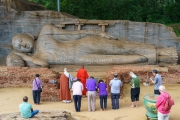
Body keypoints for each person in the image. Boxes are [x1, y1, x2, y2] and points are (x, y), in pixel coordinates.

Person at [8, 24, 178, 67]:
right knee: (123, 59)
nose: (23, 45)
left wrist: (97, 33)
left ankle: (163, 51)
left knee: (121, 47)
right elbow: (44, 65)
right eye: (19, 47)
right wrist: (24, 56)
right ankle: (158, 57)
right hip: (81, 59)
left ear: (28, 35)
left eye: (21, 40)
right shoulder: (37, 58)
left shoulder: (45, 31)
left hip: (83, 44)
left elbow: (74, 34)